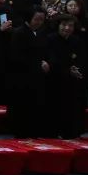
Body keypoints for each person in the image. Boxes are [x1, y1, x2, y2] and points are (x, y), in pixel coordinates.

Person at [9, 8, 52, 137]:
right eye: (36, 19)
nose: (39, 22)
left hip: (36, 76)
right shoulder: (19, 33)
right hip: (22, 77)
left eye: (41, 20)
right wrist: (37, 63)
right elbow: (16, 56)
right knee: (23, 107)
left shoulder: (39, 33)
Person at [47, 15, 88, 139]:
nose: (67, 28)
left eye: (70, 25)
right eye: (64, 25)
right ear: (58, 26)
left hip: (72, 80)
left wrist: (76, 68)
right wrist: (67, 69)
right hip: (55, 80)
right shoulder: (51, 39)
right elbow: (52, 59)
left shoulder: (77, 40)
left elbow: (82, 58)